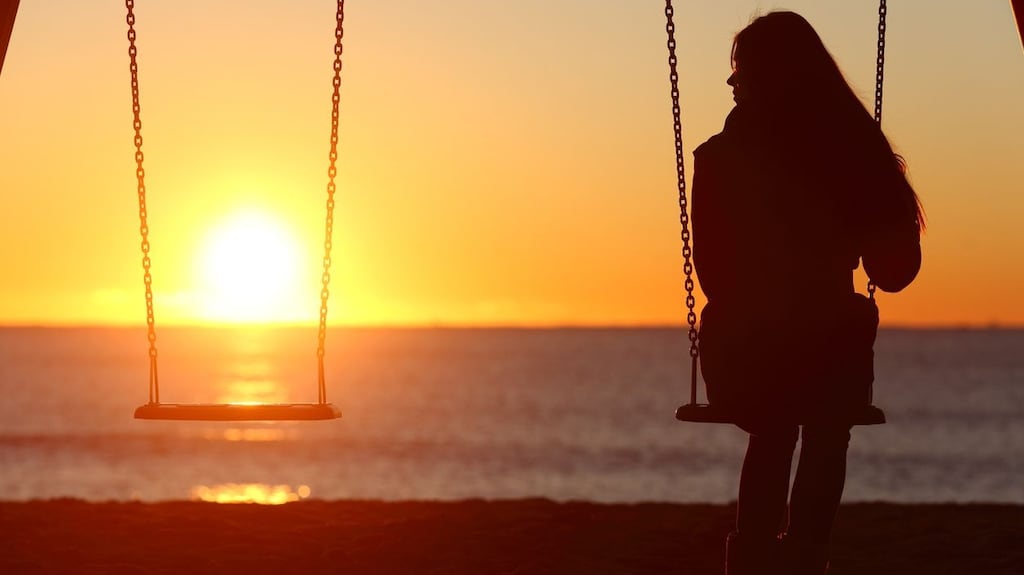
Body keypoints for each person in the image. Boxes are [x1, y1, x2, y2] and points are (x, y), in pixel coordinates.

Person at [690, 11, 924, 575]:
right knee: (825, 427)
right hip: (826, 352)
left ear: (768, 78)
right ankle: (805, 559)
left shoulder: (718, 157)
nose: (733, 84)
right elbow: (894, 272)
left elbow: (714, 275)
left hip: (746, 352)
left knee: (774, 428)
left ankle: (752, 561)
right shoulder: (853, 151)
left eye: (741, 72)